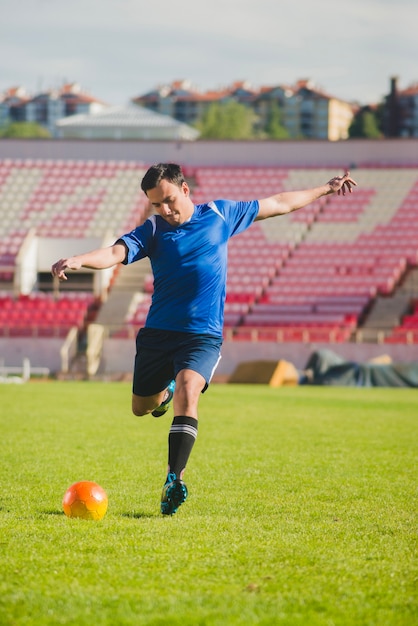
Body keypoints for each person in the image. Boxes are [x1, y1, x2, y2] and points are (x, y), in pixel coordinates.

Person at [51, 163, 357, 516]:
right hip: (158, 336)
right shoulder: (152, 230)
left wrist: (326, 188)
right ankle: (162, 393)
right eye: (156, 205)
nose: (165, 210)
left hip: (202, 337)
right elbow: (115, 253)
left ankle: (173, 479)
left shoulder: (220, 214)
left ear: (185, 189)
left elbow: (279, 203)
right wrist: (78, 260)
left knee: (188, 389)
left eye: (168, 201)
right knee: (142, 408)